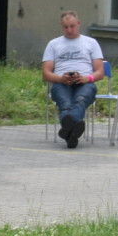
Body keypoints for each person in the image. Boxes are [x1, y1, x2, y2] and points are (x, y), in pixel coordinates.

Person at [42, 11, 105, 148]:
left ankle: (67, 128)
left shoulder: (91, 43)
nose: (69, 30)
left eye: (72, 26)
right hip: (61, 82)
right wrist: (60, 78)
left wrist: (86, 78)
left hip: (84, 81)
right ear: (61, 26)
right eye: (65, 27)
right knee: (65, 103)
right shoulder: (53, 44)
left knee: (80, 99)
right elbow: (46, 73)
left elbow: (100, 72)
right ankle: (73, 130)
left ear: (78, 24)